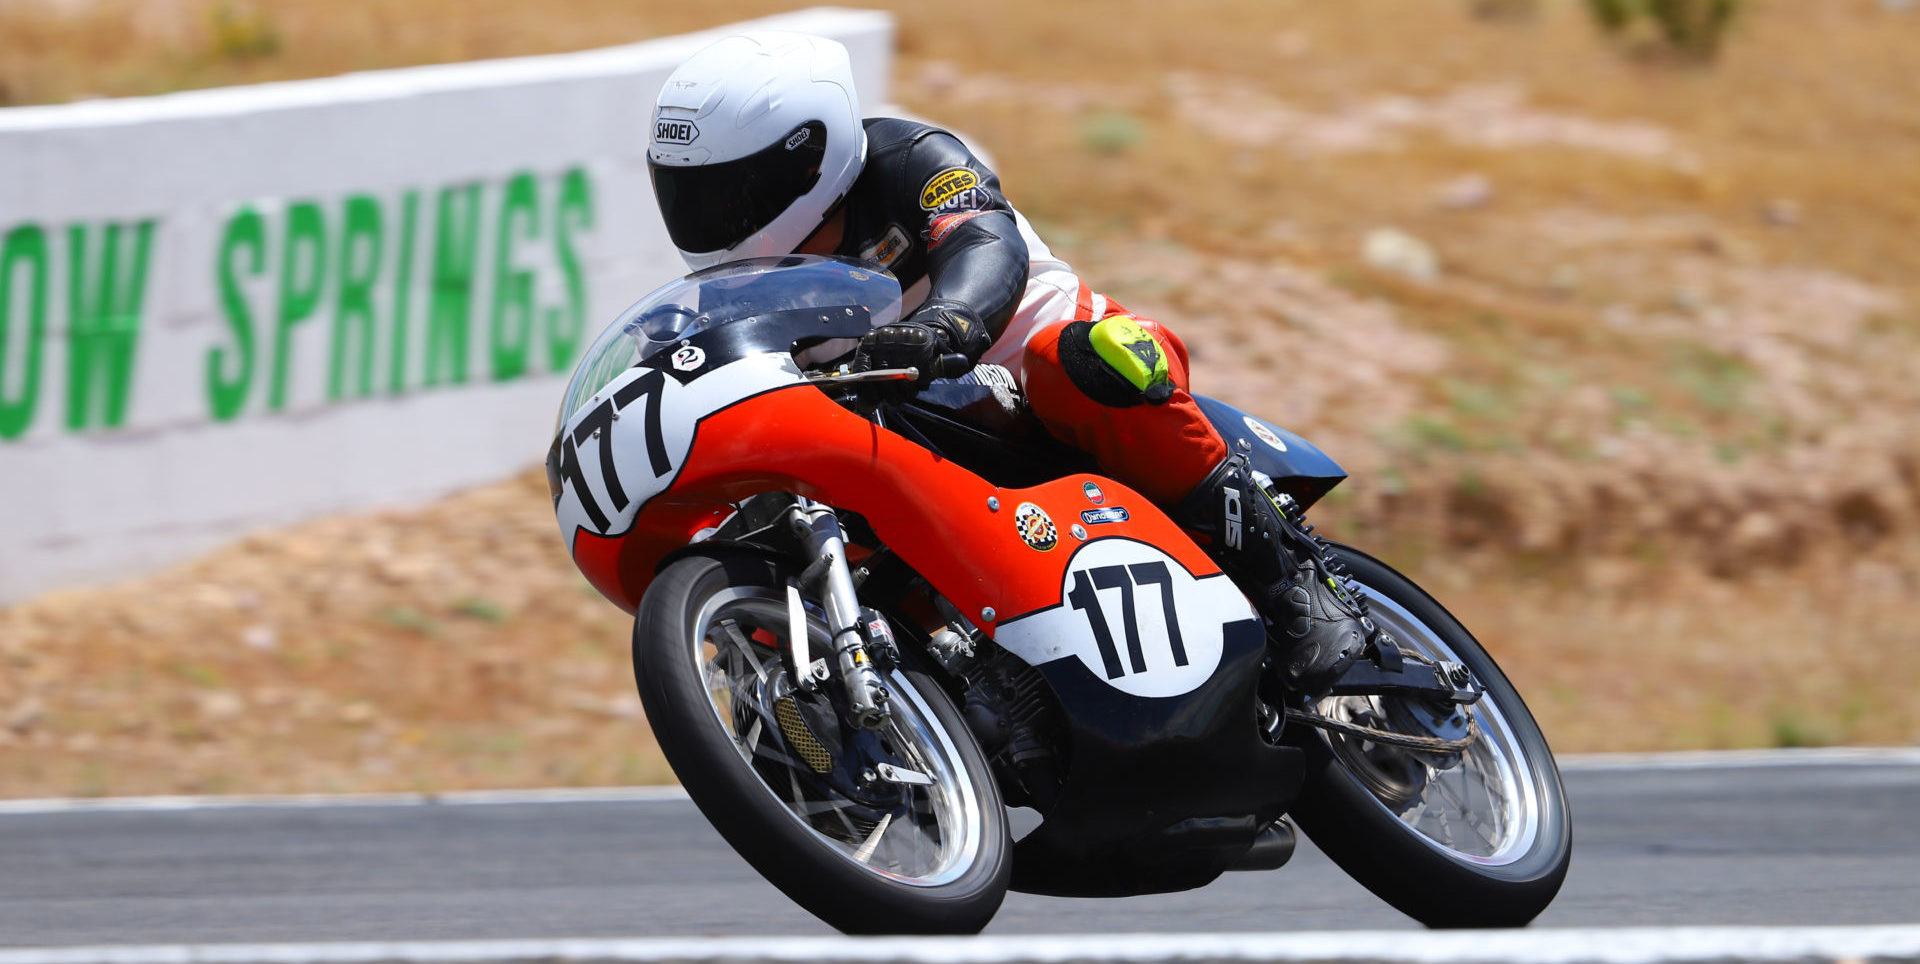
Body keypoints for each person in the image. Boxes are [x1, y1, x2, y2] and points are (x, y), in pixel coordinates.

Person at [647, 31, 1369, 693]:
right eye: (691, 196)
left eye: (732, 191)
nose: (715, 217)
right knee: (785, 524)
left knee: (1078, 362)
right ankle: (871, 726)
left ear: (811, 155)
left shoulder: (912, 159)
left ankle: (1290, 581)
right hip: (914, 433)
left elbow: (986, 244)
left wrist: (946, 322)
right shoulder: (728, 291)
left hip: (1033, 374)